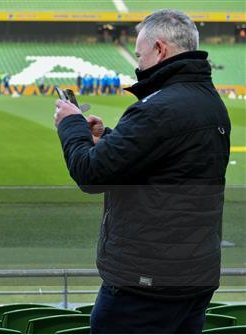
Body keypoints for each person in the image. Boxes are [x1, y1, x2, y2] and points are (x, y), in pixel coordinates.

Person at [53, 9, 230, 333]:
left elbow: (91, 173)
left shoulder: (158, 108)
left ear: (160, 49)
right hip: (194, 276)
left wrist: (71, 126)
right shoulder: (208, 100)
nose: (138, 62)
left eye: (140, 54)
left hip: (145, 286)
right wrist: (106, 138)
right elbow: (162, 162)